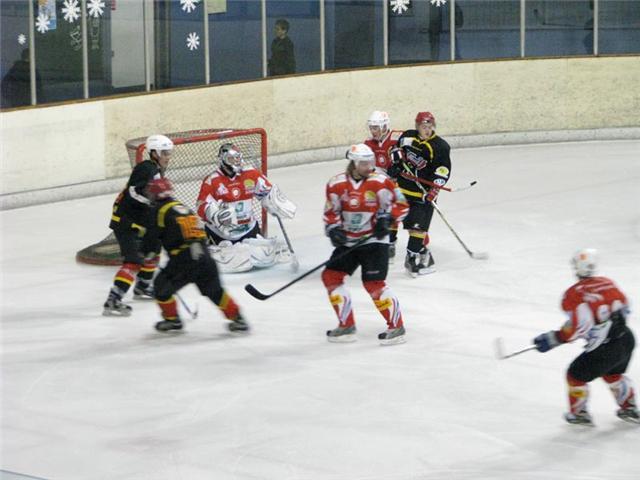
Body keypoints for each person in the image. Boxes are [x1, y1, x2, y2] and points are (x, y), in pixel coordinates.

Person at [533, 249, 638, 426]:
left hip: (606, 347)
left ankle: (579, 413)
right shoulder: (608, 282)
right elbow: (626, 307)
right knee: (612, 373)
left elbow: (579, 327)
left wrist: (555, 338)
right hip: (627, 339)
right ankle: (630, 407)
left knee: (575, 376)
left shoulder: (574, 294)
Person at [322, 143, 409, 345]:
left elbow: (402, 205)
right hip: (350, 241)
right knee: (331, 276)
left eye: (370, 162)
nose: (369, 166)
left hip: (374, 241)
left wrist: (388, 219)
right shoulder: (336, 184)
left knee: (373, 284)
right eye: (363, 163)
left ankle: (396, 327)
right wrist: (333, 230)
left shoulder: (381, 182)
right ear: (353, 163)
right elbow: (331, 212)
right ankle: (346, 325)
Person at [143, 178, 249, 333]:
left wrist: (147, 252)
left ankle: (172, 320)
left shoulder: (158, 211)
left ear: (155, 195)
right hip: (205, 257)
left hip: (183, 260)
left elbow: (151, 239)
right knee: (215, 291)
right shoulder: (183, 208)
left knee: (160, 287)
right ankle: (237, 318)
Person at [196, 143, 296, 273]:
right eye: (231, 159)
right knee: (221, 260)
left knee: (263, 255)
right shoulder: (212, 180)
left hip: (248, 229)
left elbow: (267, 191)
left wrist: (274, 200)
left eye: (237, 157)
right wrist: (215, 214)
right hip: (221, 234)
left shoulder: (251, 174)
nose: (235, 161)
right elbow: (201, 205)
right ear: (222, 160)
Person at [102, 134, 173, 316]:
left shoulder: (156, 170)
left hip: (140, 219)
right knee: (133, 260)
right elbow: (133, 192)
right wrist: (153, 202)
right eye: (164, 152)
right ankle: (113, 300)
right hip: (125, 221)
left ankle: (142, 287)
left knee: (153, 249)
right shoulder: (146, 167)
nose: (168, 156)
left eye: (169, 152)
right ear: (154, 153)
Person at [387, 111, 451, 277]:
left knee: (418, 228)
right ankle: (421, 253)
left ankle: (412, 259)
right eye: (423, 126)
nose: (427, 130)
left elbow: (443, 170)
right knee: (404, 223)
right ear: (417, 126)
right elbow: (395, 150)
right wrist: (395, 162)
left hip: (423, 194)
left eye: (430, 126)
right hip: (403, 190)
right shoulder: (408, 136)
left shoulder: (440, 146)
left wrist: (435, 188)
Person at [363, 110, 403, 261]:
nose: (373, 131)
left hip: (401, 184)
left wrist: (400, 166)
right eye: (371, 127)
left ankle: (420, 245)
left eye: (376, 127)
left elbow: (411, 156)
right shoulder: (368, 143)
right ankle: (387, 242)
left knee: (407, 216)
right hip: (383, 185)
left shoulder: (398, 138)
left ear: (385, 126)